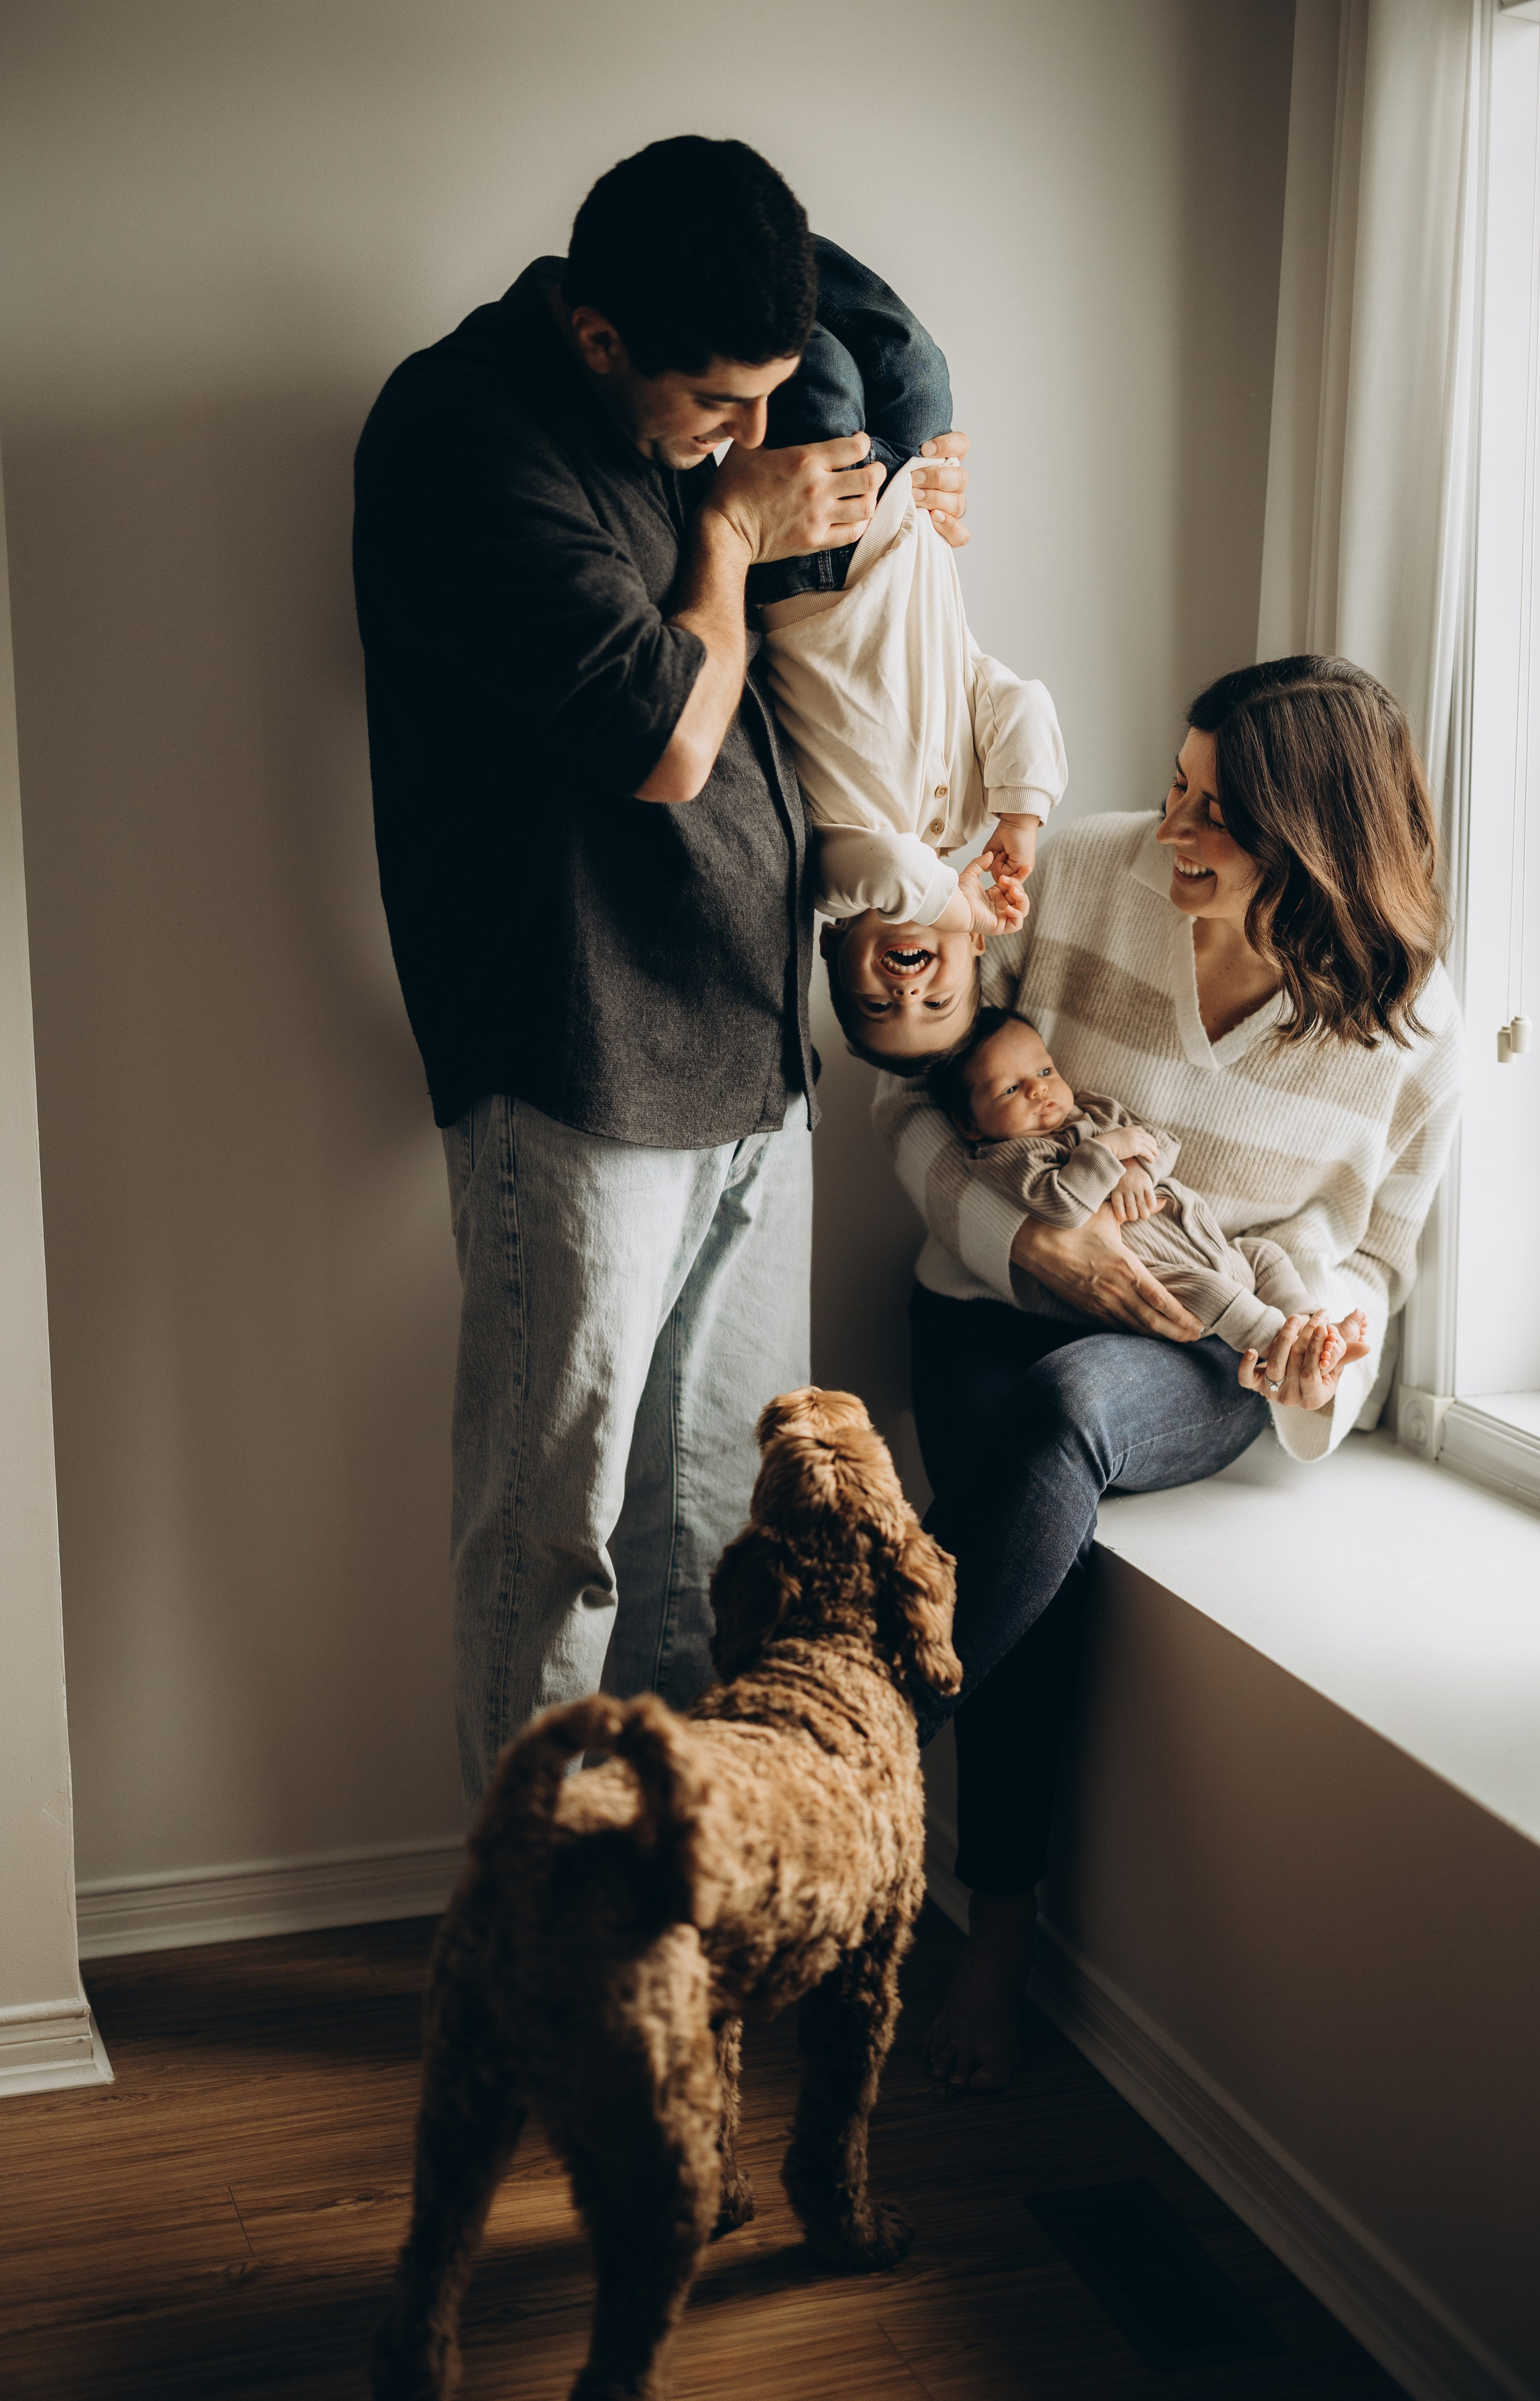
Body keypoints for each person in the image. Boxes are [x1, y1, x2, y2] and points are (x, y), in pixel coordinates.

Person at [351, 136, 970, 1811]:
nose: (748, 434)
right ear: (598, 334)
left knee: (715, 1530)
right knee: (553, 1541)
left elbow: (865, 342)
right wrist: (728, 536)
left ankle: (676, 1887)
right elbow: (666, 745)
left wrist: (908, 477)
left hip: (751, 1052)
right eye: (719, 401)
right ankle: (535, 1907)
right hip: (578, 1055)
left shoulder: (689, 415)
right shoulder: (465, 432)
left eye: (766, 398)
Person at [873, 655, 1462, 2091]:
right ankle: (989, 1925)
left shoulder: (1412, 1029)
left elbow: (1374, 1260)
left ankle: (837, 1753)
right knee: (1032, 1513)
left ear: (1313, 838)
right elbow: (908, 1096)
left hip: (1206, 1347)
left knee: (1065, 1414)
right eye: (1176, 787)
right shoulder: (1080, 872)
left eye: (1215, 812)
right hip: (988, 1299)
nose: (1171, 830)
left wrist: (1323, 1340)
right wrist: (1028, 1247)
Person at [753, 243, 1067, 1066]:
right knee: (911, 360)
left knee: (819, 375)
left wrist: (951, 904)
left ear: (833, 951)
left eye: (876, 1005)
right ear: (975, 951)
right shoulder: (969, 813)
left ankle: (725, 258)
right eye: (938, 1001)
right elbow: (1014, 698)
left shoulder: (826, 876)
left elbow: (893, 868)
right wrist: (1019, 817)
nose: (905, 992)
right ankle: (770, 238)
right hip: (909, 516)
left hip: (815, 572)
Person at [927, 1008, 1371, 1372]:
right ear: (970, 1125)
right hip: (1159, 1279)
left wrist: (1137, 1166)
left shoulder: (1095, 1110)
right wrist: (1109, 1151)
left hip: (1210, 1243)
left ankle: (1312, 1325)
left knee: (1264, 1255)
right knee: (1219, 1294)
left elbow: (1163, 1142)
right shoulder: (1009, 1157)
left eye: (1045, 1070)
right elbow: (1061, 1205)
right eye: (1010, 1089)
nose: (1039, 1089)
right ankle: (1292, 1352)